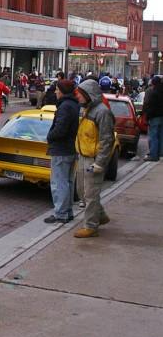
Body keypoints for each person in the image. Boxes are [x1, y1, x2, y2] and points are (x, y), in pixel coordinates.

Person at [73, 79, 116, 239]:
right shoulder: (87, 108)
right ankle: (100, 215)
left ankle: (91, 226)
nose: (78, 97)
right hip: (84, 155)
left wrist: (100, 162)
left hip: (93, 159)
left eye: (80, 94)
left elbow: (107, 139)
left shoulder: (102, 112)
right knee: (82, 192)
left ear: (88, 94)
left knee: (91, 194)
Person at [43, 79, 80, 224]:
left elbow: (60, 129)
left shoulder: (65, 106)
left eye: (58, 89)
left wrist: (50, 136)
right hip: (69, 148)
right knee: (68, 181)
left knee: (59, 182)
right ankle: (67, 211)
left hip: (61, 149)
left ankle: (61, 213)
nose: (56, 92)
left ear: (63, 91)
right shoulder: (73, 105)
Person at [142, 75, 163, 161]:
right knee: (161, 135)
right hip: (162, 116)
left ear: (153, 83)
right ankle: (160, 153)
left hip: (154, 117)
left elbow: (150, 106)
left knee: (153, 136)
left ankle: (153, 155)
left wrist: (147, 116)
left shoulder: (152, 92)